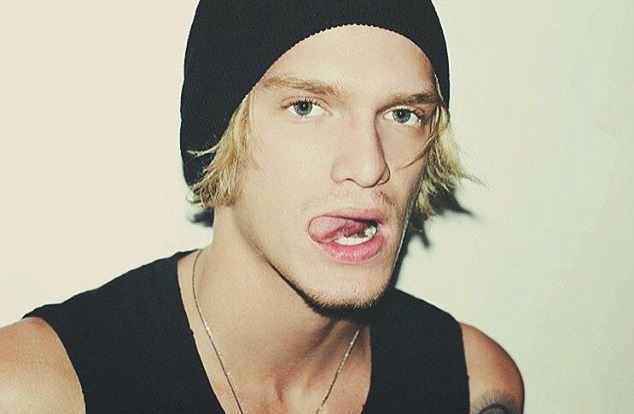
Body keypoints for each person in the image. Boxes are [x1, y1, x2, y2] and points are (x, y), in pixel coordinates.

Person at [0, 0, 524, 413]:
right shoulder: (36, 389)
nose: (369, 166)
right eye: (306, 107)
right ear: (218, 135)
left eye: (403, 114)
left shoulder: (471, 384)